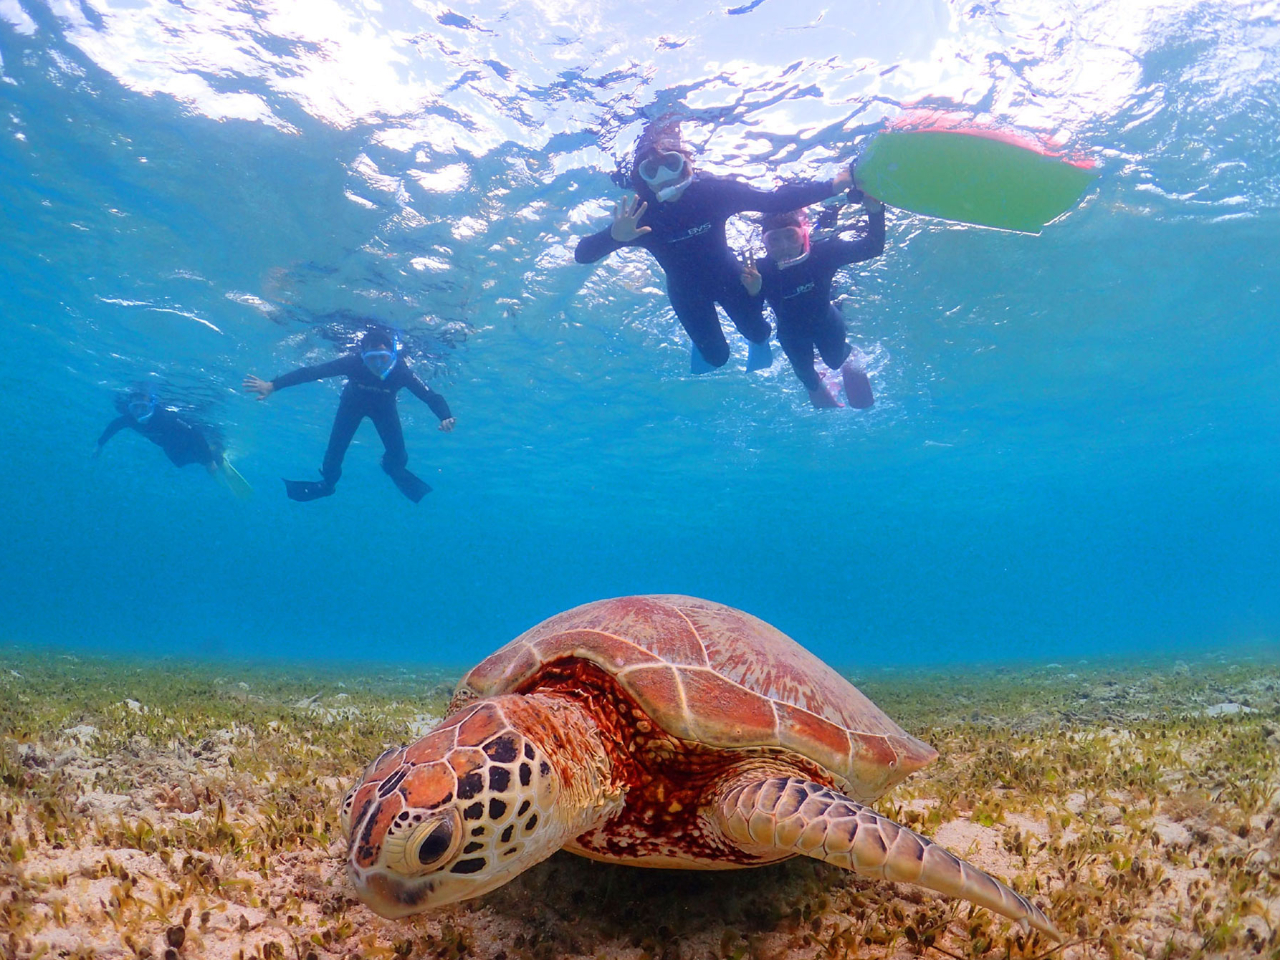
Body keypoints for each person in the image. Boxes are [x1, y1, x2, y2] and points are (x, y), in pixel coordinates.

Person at [574, 121, 856, 374]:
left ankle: (745, 340)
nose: (664, 177)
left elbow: (774, 202)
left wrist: (832, 186)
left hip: (729, 279)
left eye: (670, 164)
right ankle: (705, 343)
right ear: (641, 178)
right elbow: (582, 255)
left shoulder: (713, 193)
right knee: (717, 358)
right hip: (687, 294)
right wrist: (615, 236)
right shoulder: (640, 215)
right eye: (651, 170)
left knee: (759, 334)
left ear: (685, 164)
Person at [243, 329, 455, 503]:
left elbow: (430, 396)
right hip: (351, 406)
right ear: (363, 357)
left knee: (398, 455)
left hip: (384, 409)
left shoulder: (401, 371)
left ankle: (391, 467)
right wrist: (273, 385)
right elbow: (311, 372)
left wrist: (444, 416)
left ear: (393, 356)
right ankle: (327, 485)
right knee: (335, 452)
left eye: (384, 358)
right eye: (372, 359)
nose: (379, 364)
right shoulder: (352, 363)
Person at [741, 194, 886, 409]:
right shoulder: (759, 271)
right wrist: (753, 291)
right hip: (791, 332)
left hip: (827, 322)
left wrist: (875, 211)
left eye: (791, 236)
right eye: (774, 240)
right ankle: (824, 393)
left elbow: (873, 247)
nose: (784, 247)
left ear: (803, 235)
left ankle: (852, 355)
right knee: (806, 375)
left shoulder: (823, 254)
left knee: (836, 360)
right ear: (765, 243)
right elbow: (751, 320)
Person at [94, 390, 254, 496]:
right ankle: (210, 460)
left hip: (186, 439)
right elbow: (113, 427)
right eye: (135, 407)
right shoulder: (129, 419)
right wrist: (100, 445)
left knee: (202, 456)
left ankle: (217, 456)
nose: (139, 412)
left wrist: (209, 461)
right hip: (169, 447)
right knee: (179, 461)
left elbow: (195, 434)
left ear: (152, 405)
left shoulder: (166, 417)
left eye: (143, 407)